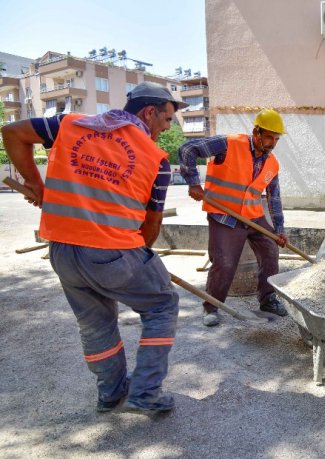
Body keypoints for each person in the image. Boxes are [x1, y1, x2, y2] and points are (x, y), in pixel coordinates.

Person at [1, 82, 188, 414]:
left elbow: (13, 132)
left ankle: (111, 392)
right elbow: (152, 226)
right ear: (149, 112)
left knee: (95, 324)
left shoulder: (70, 124)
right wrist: (136, 261)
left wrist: (36, 184)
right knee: (162, 305)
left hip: (62, 252)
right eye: (167, 118)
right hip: (113, 252)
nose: (166, 127)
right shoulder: (155, 158)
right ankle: (145, 392)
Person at [178, 108, 289, 327]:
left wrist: (279, 229)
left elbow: (274, 198)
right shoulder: (228, 144)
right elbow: (188, 149)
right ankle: (211, 306)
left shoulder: (272, 163)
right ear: (256, 132)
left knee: (270, 251)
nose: (272, 142)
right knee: (225, 263)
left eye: (276, 138)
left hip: (253, 216)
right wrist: (193, 182)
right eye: (268, 136)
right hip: (224, 215)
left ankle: (267, 300)